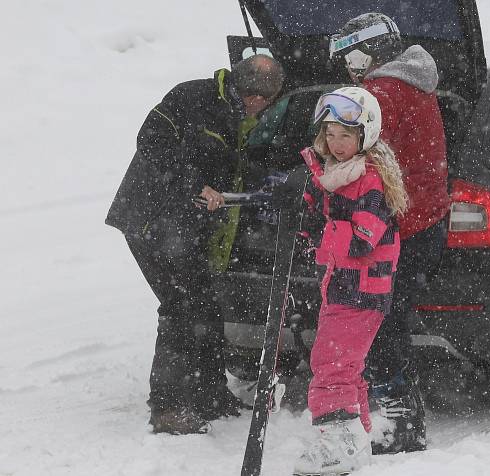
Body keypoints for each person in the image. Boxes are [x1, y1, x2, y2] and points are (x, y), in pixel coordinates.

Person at [105, 54, 285, 434]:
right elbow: (150, 141)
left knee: (205, 304)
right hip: (151, 219)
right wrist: (194, 184)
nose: (261, 105)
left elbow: (231, 163)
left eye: (266, 100)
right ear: (247, 90)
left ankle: (209, 394)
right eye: (259, 98)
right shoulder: (191, 96)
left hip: (188, 226)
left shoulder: (243, 118)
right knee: (180, 308)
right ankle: (168, 409)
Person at [329, 12, 449, 453]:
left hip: (397, 227)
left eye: (349, 55)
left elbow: (352, 159)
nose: (346, 66)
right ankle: (395, 409)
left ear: (369, 49)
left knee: (378, 322)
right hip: (425, 220)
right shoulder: (414, 81)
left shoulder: (379, 94)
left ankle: (395, 419)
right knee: (390, 319)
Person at [293, 87, 408, 475]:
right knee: (346, 365)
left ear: (365, 136)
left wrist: (319, 232)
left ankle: (335, 444)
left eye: (345, 135)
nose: (336, 144)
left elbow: (360, 239)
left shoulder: (369, 182)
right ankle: (356, 441)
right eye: (330, 134)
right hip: (342, 286)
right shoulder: (334, 176)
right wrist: (295, 208)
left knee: (332, 364)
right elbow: (316, 216)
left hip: (362, 290)